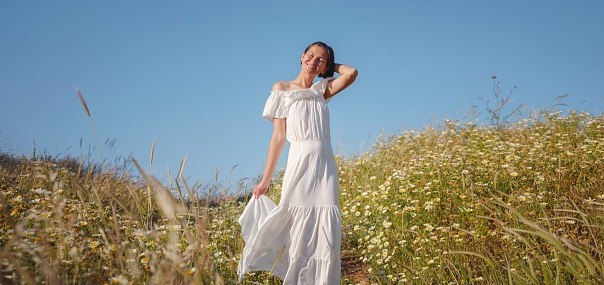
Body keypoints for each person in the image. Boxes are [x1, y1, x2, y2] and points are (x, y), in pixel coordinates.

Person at [237, 41, 358, 284]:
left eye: (320, 60)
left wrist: (326, 66)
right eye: (310, 56)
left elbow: (351, 73)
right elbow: (279, 137)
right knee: (297, 230)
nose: (313, 61)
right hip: (300, 163)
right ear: (301, 56)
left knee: (328, 235)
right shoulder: (282, 89)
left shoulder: (322, 90)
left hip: (325, 167)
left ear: (325, 67)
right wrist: (266, 179)